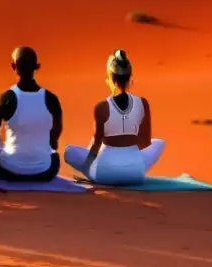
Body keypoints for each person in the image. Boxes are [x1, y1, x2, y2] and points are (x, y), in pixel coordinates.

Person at [63, 49, 165, 185]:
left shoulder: (101, 107)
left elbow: (96, 144)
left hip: (104, 173)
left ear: (110, 78)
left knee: (69, 151)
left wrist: (87, 166)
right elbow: (145, 143)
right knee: (159, 143)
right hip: (135, 172)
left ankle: (93, 170)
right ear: (130, 77)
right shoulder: (143, 103)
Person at [0, 46, 63, 181]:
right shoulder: (52, 99)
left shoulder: (2, 99)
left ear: (13, 66)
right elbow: (54, 139)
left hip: (9, 169)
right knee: (54, 156)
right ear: (37, 66)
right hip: (44, 172)